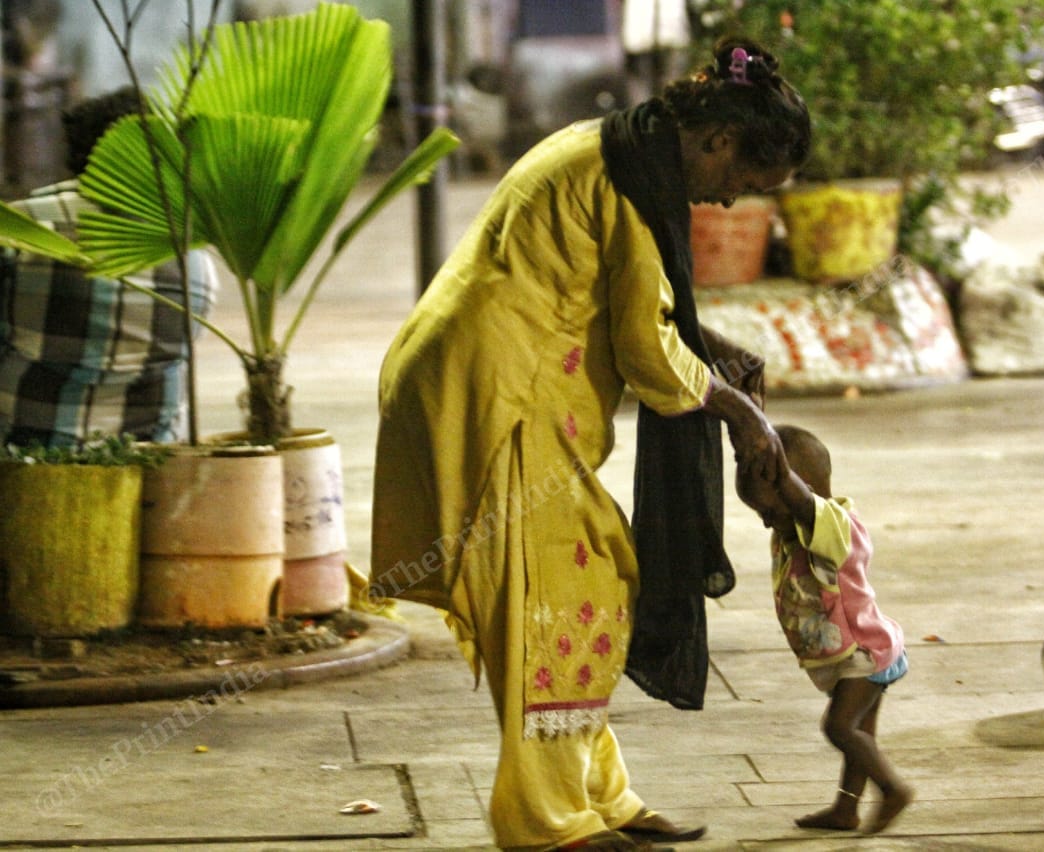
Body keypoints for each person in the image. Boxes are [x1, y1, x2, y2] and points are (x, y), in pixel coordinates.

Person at [371, 36, 810, 852]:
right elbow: (647, 349)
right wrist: (740, 414)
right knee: (559, 601)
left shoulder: (622, 151)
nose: (728, 202)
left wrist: (713, 351)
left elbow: (635, 299)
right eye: (743, 181)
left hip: (498, 384)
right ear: (717, 140)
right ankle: (546, 824)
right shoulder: (629, 177)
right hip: (494, 397)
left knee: (594, 579)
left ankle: (596, 797)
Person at [0, 86, 218, 447]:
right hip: (148, 455)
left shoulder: (24, 225)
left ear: (76, 152)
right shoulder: (192, 252)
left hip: (24, 450)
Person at [735, 424, 914, 835]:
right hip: (845, 653)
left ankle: (893, 789)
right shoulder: (793, 527)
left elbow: (799, 501)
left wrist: (782, 478)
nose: (766, 523)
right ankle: (845, 810)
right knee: (858, 738)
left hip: (865, 653)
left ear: (800, 488)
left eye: (769, 511)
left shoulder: (834, 527)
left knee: (839, 728)